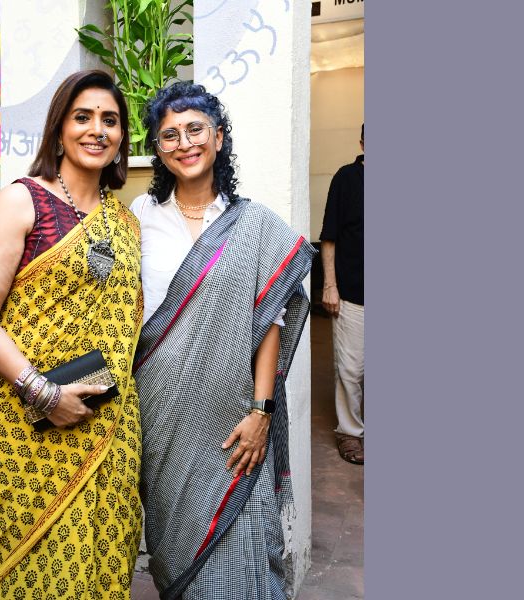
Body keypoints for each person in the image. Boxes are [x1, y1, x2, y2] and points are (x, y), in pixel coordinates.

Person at [0, 70, 144, 599]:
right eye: (83, 117)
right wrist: (43, 393)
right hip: (19, 426)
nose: (97, 130)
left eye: (110, 120)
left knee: (102, 561)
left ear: (121, 136)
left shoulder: (124, 223)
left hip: (106, 423)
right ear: (60, 127)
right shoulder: (23, 203)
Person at [130, 82, 315, 599]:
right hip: (161, 419)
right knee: (176, 546)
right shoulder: (139, 218)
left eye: (195, 129)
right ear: (158, 149)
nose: (184, 143)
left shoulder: (254, 224)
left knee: (246, 545)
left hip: (236, 422)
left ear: (218, 137)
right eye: (169, 135)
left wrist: (261, 412)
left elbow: (271, 322)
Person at [319, 124, 364, 465]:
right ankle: (350, 431)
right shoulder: (346, 178)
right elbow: (329, 236)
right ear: (363, 142)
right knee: (351, 369)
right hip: (353, 292)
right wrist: (330, 285)